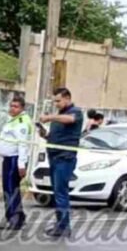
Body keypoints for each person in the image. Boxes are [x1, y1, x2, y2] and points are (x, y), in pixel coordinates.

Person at [38, 88, 84, 238]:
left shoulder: (75, 112)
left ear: (67, 98)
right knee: (57, 193)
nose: (56, 104)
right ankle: (60, 224)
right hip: (54, 157)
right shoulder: (59, 116)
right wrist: (45, 134)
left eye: (58, 101)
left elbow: (70, 119)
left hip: (65, 158)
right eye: (54, 101)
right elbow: (54, 136)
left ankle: (64, 227)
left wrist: (50, 117)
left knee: (61, 193)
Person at [0, 95, 32, 231]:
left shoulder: (22, 122)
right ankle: (17, 216)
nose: (12, 108)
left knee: (11, 190)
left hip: (15, 159)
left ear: (22, 108)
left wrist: (21, 164)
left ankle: (14, 218)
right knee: (9, 189)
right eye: (11, 105)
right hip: (8, 159)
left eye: (16, 106)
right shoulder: (13, 120)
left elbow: (23, 144)